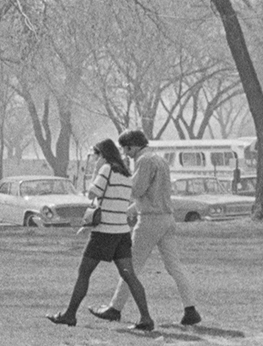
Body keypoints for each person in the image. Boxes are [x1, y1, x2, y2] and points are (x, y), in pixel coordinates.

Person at [90, 129, 202, 327]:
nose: (126, 155)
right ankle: (190, 309)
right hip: (167, 218)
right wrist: (130, 210)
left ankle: (115, 308)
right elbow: (154, 194)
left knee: (130, 266)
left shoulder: (144, 161)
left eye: (126, 150)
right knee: (174, 266)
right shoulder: (160, 160)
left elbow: (137, 190)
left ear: (132, 146)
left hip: (150, 221)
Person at [49, 137, 155, 333]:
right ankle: (146, 318)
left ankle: (70, 314)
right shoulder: (125, 173)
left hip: (104, 232)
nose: (94, 159)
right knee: (129, 275)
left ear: (102, 155)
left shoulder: (106, 170)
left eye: (95, 155)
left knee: (84, 273)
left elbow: (92, 193)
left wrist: (96, 172)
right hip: (121, 232)